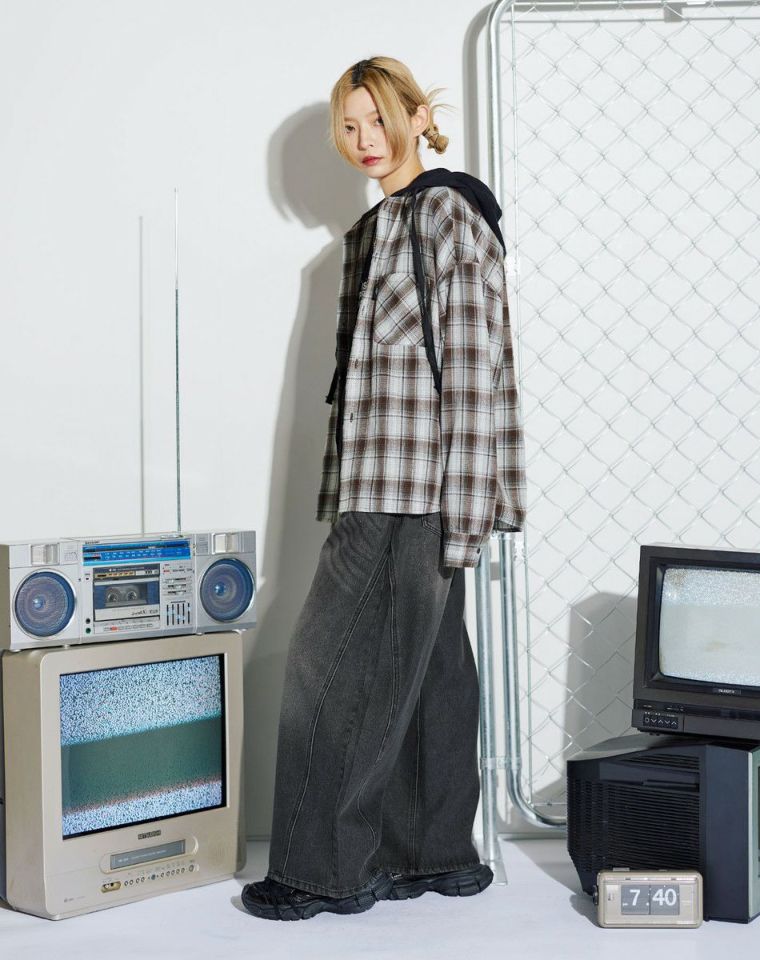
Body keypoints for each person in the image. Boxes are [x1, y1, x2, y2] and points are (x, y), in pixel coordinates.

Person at [242, 55, 526, 921]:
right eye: (349, 125)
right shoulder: (377, 230)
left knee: (328, 670)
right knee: (429, 673)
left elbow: (474, 370)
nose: (365, 138)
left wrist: (465, 515)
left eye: (378, 118)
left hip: (412, 493)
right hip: (385, 484)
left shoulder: (445, 214)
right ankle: (432, 857)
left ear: (417, 116)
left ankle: (320, 872)